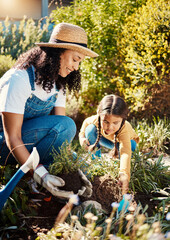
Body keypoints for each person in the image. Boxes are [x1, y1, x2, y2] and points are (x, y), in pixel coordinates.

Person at [0, 23, 98, 199]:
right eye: (75, 59)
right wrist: (40, 174)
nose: (76, 67)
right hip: (5, 145)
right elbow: (12, 138)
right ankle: (35, 180)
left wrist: (75, 168)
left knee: (70, 137)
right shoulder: (19, 79)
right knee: (66, 125)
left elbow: (61, 139)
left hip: (24, 145)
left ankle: (50, 184)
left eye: (79, 62)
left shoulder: (57, 85)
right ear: (58, 52)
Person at [79, 94, 139, 195]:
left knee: (131, 145)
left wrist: (124, 174)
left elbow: (125, 153)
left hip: (125, 144)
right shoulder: (95, 119)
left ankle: (117, 164)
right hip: (105, 140)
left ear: (123, 119)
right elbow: (85, 124)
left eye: (115, 123)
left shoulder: (125, 128)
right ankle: (96, 164)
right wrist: (81, 138)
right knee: (90, 130)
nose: (109, 127)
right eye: (105, 121)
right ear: (99, 114)